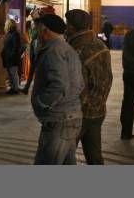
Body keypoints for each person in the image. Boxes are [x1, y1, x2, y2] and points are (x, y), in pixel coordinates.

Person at [30, 13, 83, 165]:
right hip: (71, 117)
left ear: (45, 31)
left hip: (58, 120)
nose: (36, 33)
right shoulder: (67, 48)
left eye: (38, 29)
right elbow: (80, 83)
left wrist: (40, 103)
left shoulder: (53, 51)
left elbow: (59, 85)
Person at [65, 10, 112, 165]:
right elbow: (108, 78)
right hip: (98, 110)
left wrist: (74, 108)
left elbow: (79, 86)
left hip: (81, 113)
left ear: (71, 27)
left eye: (67, 24)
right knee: (95, 157)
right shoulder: (100, 44)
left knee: (65, 156)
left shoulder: (77, 49)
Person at [21, 6, 54, 94]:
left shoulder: (43, 24)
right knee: (33, 70)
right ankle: (27, 87)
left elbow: (38, 29)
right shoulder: (41, 24)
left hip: (39, 49)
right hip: (36, 48)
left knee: (38, 70)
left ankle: (30, 88)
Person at [1, 19, 23, 94]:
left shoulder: (15, 34)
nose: (5, 25)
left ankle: (15, 88)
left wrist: (12, 55)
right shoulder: (8, 34)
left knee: (13, 73)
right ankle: (12, 88)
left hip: (12, 57)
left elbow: (16, 47)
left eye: (6, 24)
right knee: (10, 73)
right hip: (8, 57)